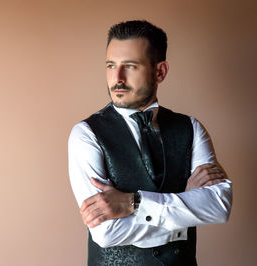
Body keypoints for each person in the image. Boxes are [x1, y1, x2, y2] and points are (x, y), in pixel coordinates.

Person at [68, 20, 233, 266]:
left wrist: (133, 202)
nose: (117, 78)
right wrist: (184, 208)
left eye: (130, 66)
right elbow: (106, 233)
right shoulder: (86, 134)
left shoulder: (191, 128)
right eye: (111, 66)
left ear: (160, 72)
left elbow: (218, 206)